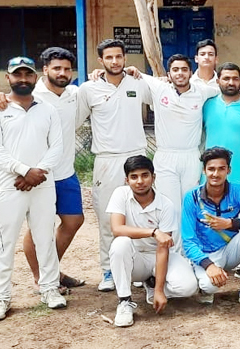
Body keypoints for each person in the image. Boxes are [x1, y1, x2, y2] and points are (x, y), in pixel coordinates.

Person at [0, 47, 87, 292]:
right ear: (44, 71)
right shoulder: (32, 93)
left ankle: (51, 272)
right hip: (28, 175)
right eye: (56, 68)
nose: (62, 73)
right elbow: (7, 98)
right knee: (38, 228)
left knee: (73, 221)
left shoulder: (74, 93)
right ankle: (40, 277)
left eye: (66, 69)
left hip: (61, 171)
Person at [0, 56, 66, 321]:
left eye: (27, 74)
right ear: (8, 78)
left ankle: (49, 288)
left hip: (42, 182)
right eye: (17, 75)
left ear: (35, 77)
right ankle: (0, 298)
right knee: (4, 243)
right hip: (9, 185)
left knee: (45, 239)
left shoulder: (47, 109)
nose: (22, 79)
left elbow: (57, 147)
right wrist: (23, 170)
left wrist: (37, 172)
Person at [76, 39, 150, 292]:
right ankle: (109, 270)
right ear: (101, 60)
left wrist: (142, 74)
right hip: (107, 160)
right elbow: (72, 119)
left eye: (119, 56)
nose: (115, 61)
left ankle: (138, 269)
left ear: (125, 58)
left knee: (139, 214)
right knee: (109, 217)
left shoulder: (138, 82)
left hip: (136, 156)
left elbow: (167, 90)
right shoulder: (89, 88)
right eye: (109, 57)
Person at [136, 54, 219, 246]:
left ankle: (189, 250)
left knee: (189, 206)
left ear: (190, 72)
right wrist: (100, 73)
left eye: (184, 69)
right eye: (175, 70)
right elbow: (133, 72)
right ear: (168, 74)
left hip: (191, 156)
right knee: (170, 207)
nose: (180, 73)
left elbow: (226, 89)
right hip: (165, 156)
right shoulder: (159, 88)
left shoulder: (202, 91)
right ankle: (171, 252)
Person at [106, 155, 197, 327]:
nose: (140, 181)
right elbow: (117, 229)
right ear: (127, 180)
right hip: (134, 259)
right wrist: (153, 232)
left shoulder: (166, 205)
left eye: (145, 175)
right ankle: (125, 302)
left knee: (188, 287)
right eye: (134, 177)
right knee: (120, 243)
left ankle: (153, 284)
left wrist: (159, 290)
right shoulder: (120, 194)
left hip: (159, 256)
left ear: (153, 177)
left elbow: (163, 248)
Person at [181, 147, 240, 307]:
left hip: (230, 250)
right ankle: (203, 285)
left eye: (221, 169)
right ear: (204, 170)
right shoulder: (192, 197)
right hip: (205, 254)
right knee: (209, 286)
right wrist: (208, 265)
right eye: (211, 169)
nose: (216, 174)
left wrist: (231, 223)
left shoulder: (237, 191)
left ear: (228, 170)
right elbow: (188, 241)